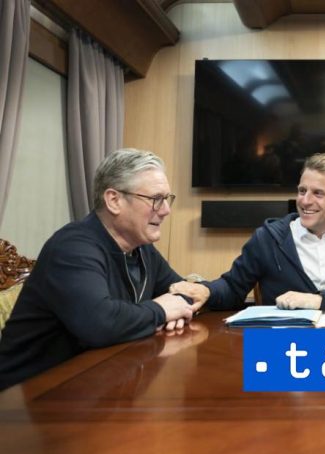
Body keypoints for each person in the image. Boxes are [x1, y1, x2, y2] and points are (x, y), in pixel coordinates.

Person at [0, 148, 197, 389]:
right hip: (29, 395)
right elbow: (99, 323)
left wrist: (179, 306)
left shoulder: (142, 248)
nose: (166, 210)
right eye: (156, 199)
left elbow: (183, 292)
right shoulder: (72, 247)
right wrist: (161, 311)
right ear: (114, 200)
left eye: (167, 199)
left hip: (98, 382)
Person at [170, 153, 325, 313]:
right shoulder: (267, 237)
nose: (305, 201)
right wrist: (206, 290)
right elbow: (232, 287)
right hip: (283, 346)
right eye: (302, 191)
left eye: (318, 193)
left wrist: (319, 301)